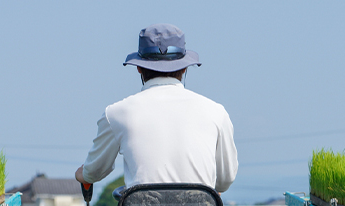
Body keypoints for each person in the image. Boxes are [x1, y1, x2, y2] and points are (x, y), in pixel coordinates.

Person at [74, 23, 238, 194]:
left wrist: (83, 175)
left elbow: (94, 172)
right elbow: (226, 179)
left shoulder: (116, 114)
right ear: (184, 68)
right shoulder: (216, 112)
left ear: (138, 67)